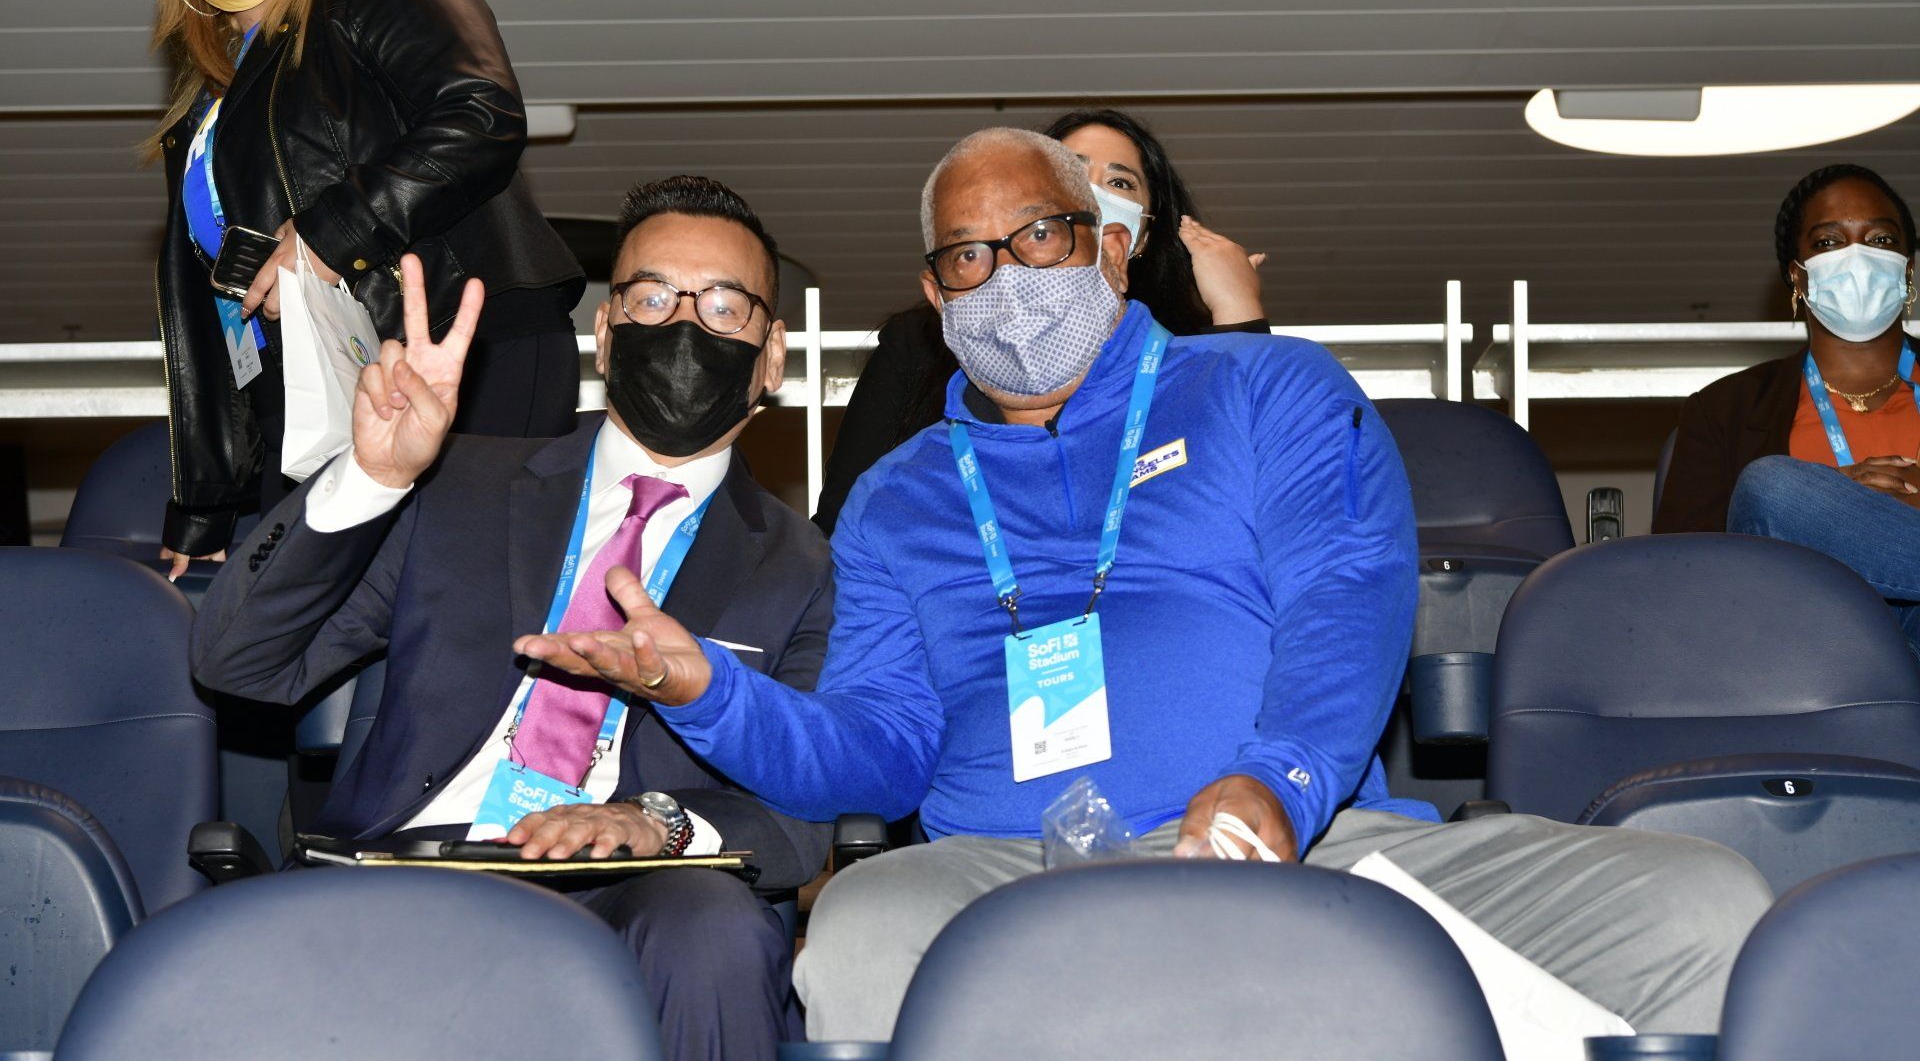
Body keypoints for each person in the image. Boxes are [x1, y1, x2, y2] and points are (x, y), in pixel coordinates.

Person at [519, 129, 1775, 1043]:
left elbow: (1346, 596)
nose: (1009, 275)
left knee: (1701, 903)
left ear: (1109, 252)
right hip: (1004, 868)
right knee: (862, 932)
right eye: (969, 256)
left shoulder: (1269, 389)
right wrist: (710, 692)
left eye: (1040, 236)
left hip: (1309, 839)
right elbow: (878, 749)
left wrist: (1281, 780)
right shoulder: (899, 495)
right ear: (934, 294)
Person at [192, 178, 830, 1061]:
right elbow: (237, 661)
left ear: (772, 355)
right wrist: (372, 477)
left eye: (723, 306)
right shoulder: (459, 484)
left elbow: (805, 809)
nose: (683, 325)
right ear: (607, 331)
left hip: (633, 883)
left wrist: (657, 822)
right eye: (651, 297)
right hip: (413, 865)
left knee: (713, 927)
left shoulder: (806, 566)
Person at [148, 0, 584, 579]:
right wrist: (207, 503)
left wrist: (327, 236)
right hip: (316, 394)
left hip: (455, 350)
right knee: (308, 626)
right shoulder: (203, 112)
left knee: (454, 607)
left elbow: (480, 115)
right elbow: (212, 316)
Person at [813, 107, 1267, 532]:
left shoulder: (1182, 350)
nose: (1095, 193)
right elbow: (844, 519)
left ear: (1138, 234)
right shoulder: (926, 339)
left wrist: (1238, 314)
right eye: (1073, 171)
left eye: (1120, 183)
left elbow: (1255, 484)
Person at [1653, 164, 1920, 653]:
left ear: (1907, 269)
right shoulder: (1723, 411)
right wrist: (1829, 503)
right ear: (1799, 276)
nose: (1857, 256)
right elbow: (1681, 575)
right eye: (1828, 242)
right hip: (1803, 643)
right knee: (1769, 486)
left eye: (1880, 240)